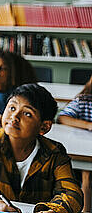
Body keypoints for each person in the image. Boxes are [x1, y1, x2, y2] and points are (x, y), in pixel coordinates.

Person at [0, 83, 83, 213]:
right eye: (12, 108)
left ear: (44, 127)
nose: (14, 117)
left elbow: (72, 193)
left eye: (27, 114)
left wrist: (54, 210)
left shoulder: (54, 153)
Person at [58, 75, 92, 212]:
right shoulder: (84, 100)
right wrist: (88, 125)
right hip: (85, 150)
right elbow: (63, 118)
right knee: (87, 174)